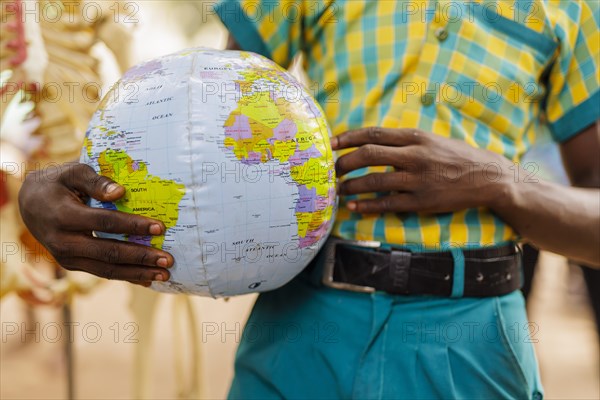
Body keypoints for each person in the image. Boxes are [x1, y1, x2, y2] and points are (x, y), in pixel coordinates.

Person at [18, 1, 599, 399]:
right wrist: (43, 188)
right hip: (300, 329)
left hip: (472, 343)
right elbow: (199, 125)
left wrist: (500, 180)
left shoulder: (576, 9)